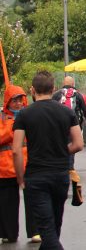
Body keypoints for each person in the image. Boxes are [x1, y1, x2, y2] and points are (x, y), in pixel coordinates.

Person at [12, 70, 85, 249]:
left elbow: (16, 150)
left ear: (32, 90)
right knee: (54, 226)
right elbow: (78, 144)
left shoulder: (24, 115)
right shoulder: (66, 112)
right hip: (60, 175)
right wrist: (60, 151)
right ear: (53, 89)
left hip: (36, 176)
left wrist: (20, 178)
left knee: (47, 229)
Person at [1, 84, 38, 243]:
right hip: (5, 167)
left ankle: (35, 231)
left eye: (20, 100)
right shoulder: (2, 118)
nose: (18, 103)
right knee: (7, 203)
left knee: (33, 200)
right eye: (14, 100)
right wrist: (13, 128)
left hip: (27, 163)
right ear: (7, 102)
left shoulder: (29, 115)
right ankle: (8, 233)